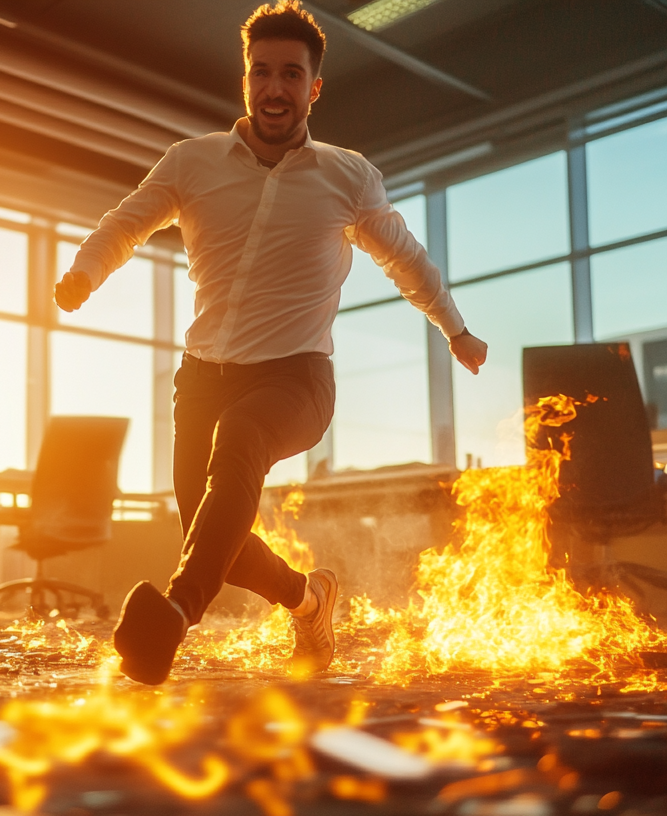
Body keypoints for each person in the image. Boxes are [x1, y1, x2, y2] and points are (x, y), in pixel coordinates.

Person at [56, 0, 487, 685]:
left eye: (291, 74)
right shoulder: (191, 164)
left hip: (296, 380)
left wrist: (455, 329)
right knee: (210, 528)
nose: (275, 87)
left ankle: (175, 611)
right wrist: (84, 270)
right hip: (201, 378)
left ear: (314, 87)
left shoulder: (346, 177)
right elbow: (126, 222)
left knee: (240, 439)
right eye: (262, 72)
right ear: (246, 80)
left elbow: (406, 260)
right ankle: (310, 599)